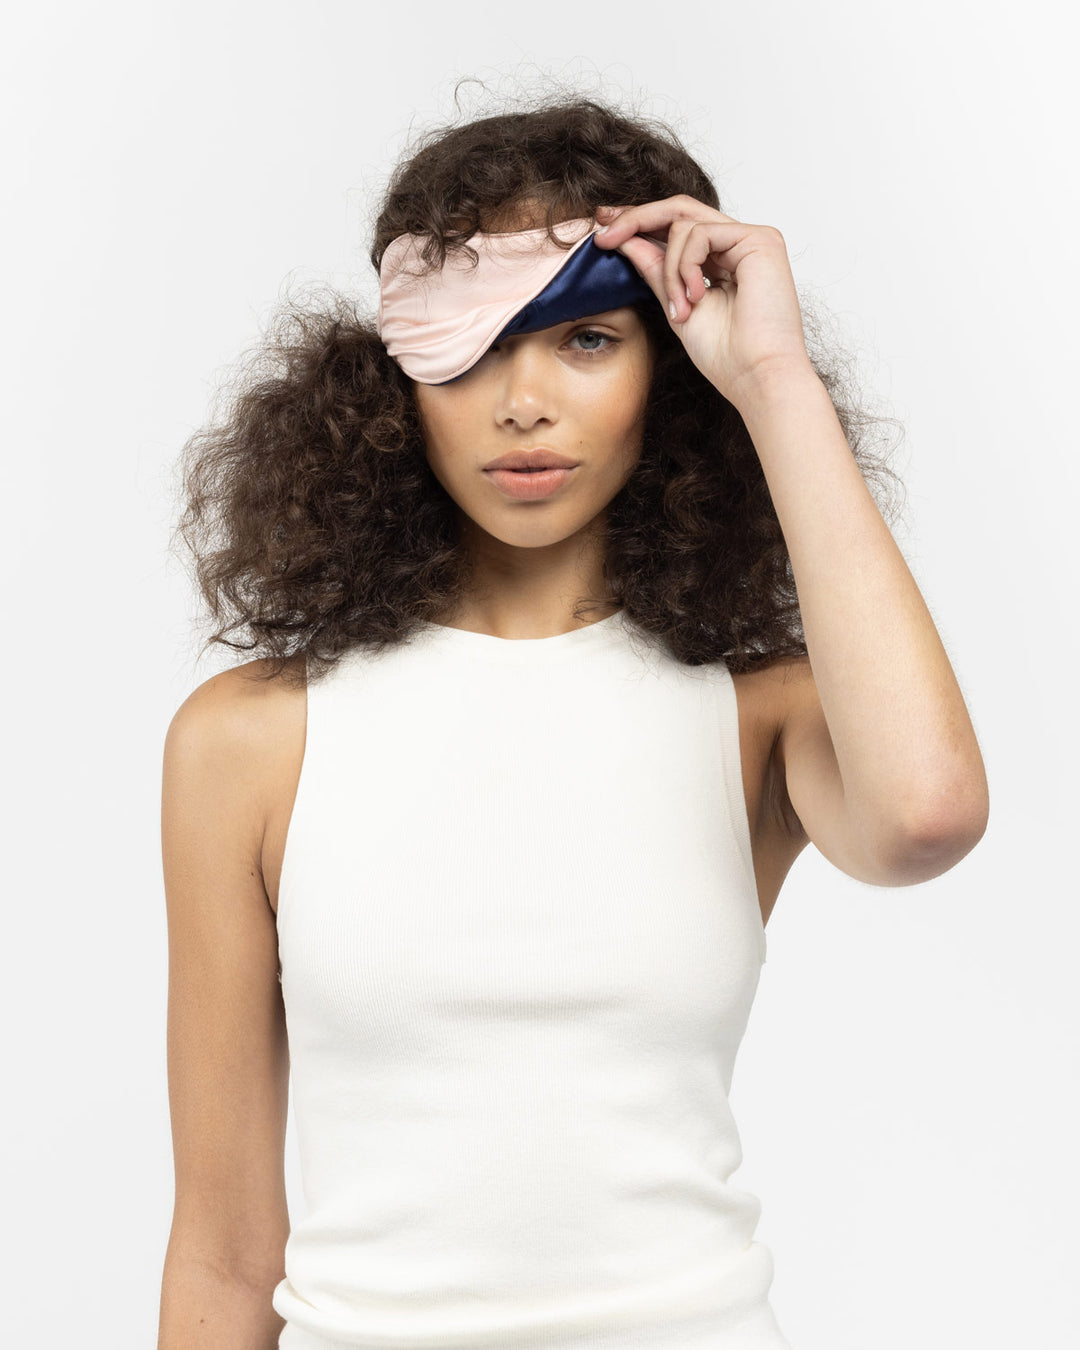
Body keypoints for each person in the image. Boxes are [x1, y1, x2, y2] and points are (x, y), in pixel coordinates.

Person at [157, 89, 989, 1350]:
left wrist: (772, 378)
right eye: (473, 348)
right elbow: (224, 1256)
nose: (524, 401)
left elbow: (927, 815)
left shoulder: (755, 713)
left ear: (668, 366)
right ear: (392, 378)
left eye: (587, 339)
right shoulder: (252, 738)